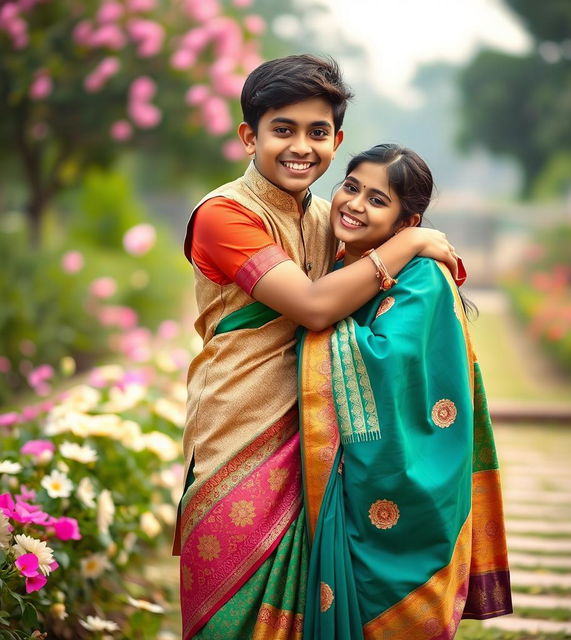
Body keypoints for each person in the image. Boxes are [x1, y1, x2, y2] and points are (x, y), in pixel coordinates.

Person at [173, 55, 466, 640]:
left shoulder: (328, 217)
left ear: (336, 140)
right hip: (238, 433)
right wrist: (408, 244)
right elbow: (312, 305)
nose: (301, 146)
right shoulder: (224, 215)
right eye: (283, 129)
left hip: (317, 442)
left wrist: (417, 257)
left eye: (318, 132)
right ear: (248, 135)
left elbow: (398, 299)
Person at [298, 144, 512, 639]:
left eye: (378, 199)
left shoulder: (423, 278)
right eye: (351, 187)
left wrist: (313, 313)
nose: (354, 203)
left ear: (405, 221)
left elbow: (381, 360)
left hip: (404, 482)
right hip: (348, 482)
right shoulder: (334, 264)